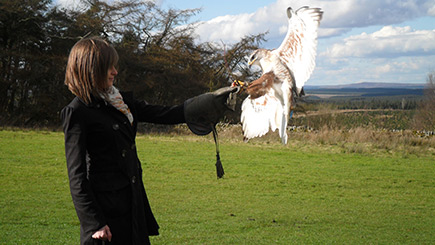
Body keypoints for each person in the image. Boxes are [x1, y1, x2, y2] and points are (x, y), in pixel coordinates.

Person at [61, 37, 236, 244]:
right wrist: (94, 223)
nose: (115, 72)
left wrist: (210, 101)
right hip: (105, 215)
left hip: (132, 203)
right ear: (90, 70)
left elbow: (164, 114)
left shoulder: (120, 101)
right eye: (108, 67)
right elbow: (77, 176)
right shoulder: (77, 112)